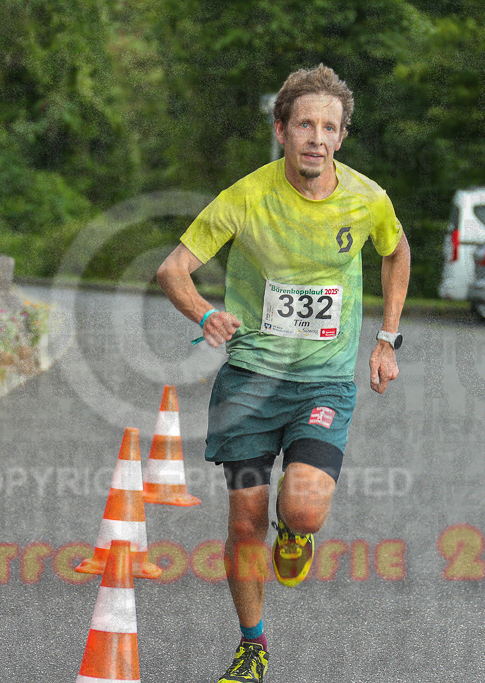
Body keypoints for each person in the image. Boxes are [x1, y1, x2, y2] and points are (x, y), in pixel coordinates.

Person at [156, 63, 410, 683]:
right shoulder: (244, 198)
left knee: (301, 510)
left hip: (322, 383)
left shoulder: (368, 198)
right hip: (248, 384)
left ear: (341, 137)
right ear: (282, 130)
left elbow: (396, 251)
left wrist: (386, 338)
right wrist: (205, 313)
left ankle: (295, 536)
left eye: (329, 127)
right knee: (245, 518)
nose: (316, 138)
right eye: (304, 125)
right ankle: (253, 645)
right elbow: (172, 270)